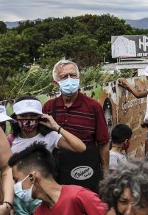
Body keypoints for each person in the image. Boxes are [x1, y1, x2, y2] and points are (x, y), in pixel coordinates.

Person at [42, 59, 110, 191]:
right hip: (59, 172)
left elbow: (103, 142)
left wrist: (106, 173)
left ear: (79, 78)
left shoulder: (93, 106)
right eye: (64, 77)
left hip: (87, 169)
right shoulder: (49, 107)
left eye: (72, 75)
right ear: (56, 84)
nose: (69, 79)